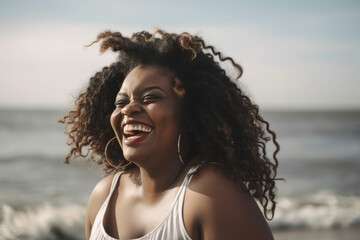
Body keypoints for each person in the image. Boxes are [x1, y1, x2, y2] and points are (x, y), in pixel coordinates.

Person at [60, 29, 280, 240]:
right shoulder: (104, 197)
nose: (128, 109)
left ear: (190, 114)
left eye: (150, 98)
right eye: (121, 102)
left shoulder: (211, 194)